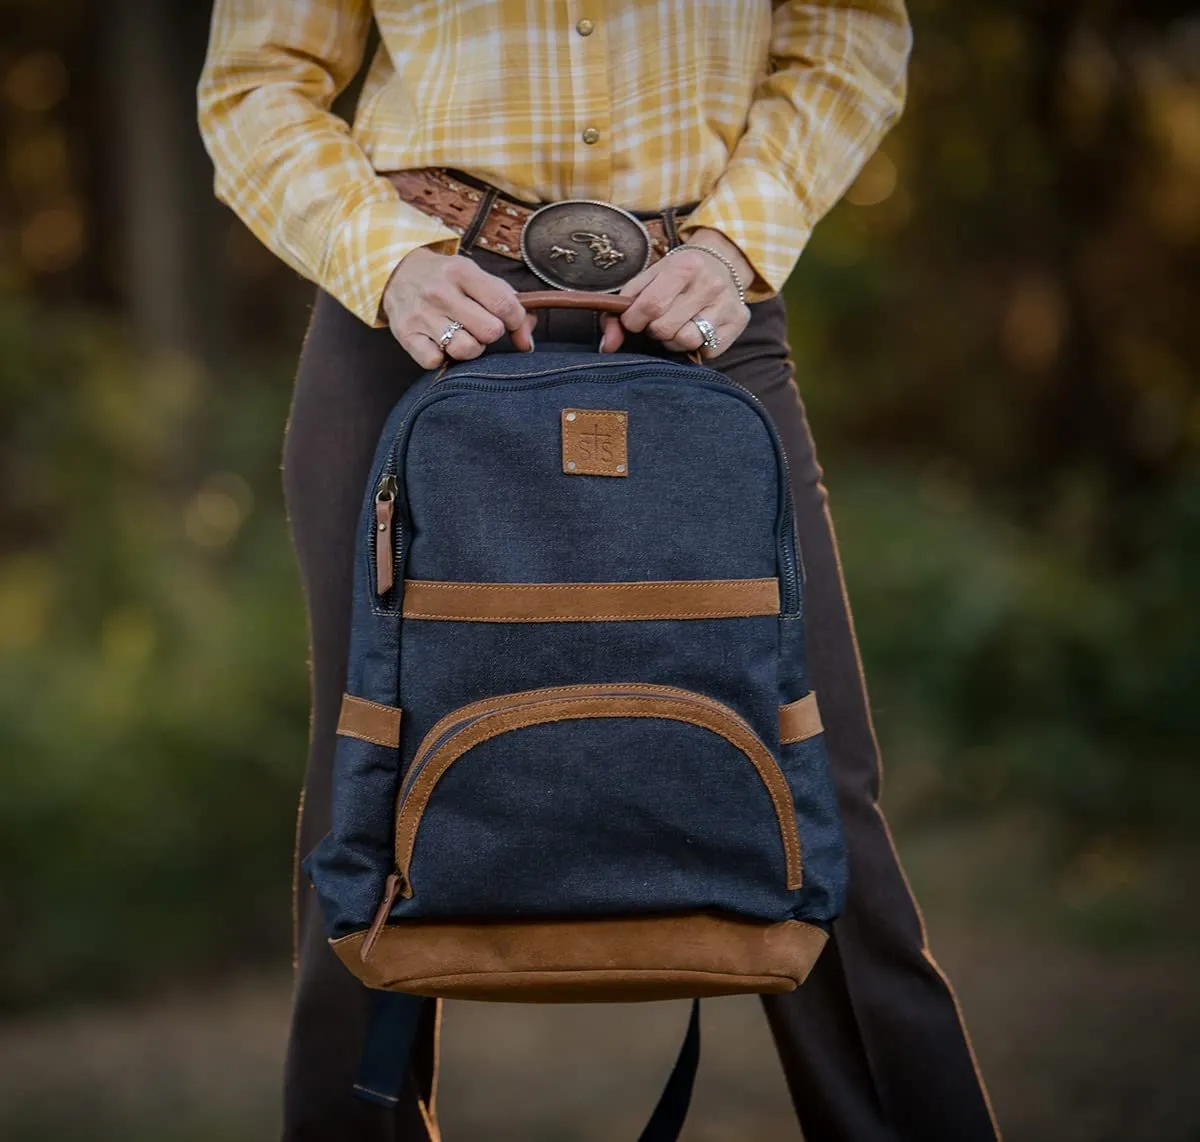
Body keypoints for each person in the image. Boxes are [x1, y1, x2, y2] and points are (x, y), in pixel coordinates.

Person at [198, 3, 1001, 1139]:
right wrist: (388, 261)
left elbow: (848, 38)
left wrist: (736, 243)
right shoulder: (402, 280)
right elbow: (255, 81)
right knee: (363, 776)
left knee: (820, 770)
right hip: (417, 306)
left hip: (702, 304)